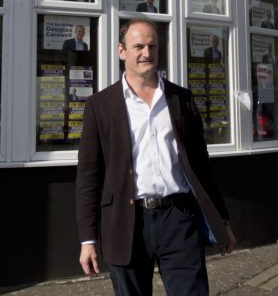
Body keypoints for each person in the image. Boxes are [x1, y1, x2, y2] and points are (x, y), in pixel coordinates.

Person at [76, 19, 236, 295]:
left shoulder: (181, 99)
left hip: (179, 219)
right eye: (138, 46)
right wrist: (87, 239)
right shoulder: (99, 106)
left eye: (152, 46)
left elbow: (201, 166)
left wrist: (221, 221)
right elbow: (89, 176)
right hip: (126, 222)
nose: (146, 53)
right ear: (121, 51)